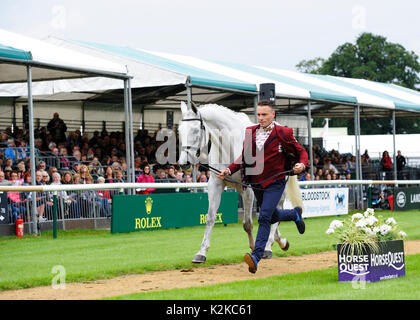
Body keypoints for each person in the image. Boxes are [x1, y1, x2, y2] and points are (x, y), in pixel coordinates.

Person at [217, 100, 308, 274]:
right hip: (256, 182)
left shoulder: (284, 132)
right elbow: (244, 158)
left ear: (273, 114)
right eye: (258, 114)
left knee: (264, 216)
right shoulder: (250, 132)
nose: (261, 118)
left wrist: (302, 165)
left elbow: (301, 152)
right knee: (272, 215)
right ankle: (295, 214)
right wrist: (228, 170)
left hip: (276, 181)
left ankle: (256, 256)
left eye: (264, 114)